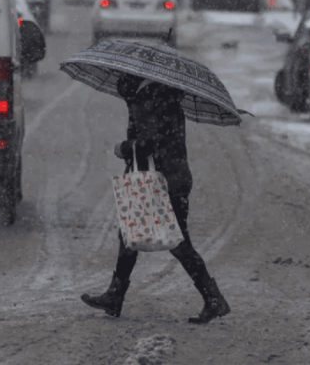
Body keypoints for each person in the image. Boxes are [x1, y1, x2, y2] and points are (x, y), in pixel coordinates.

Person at [80, 73, 231, 324]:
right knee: (130, 234)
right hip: (173, 176)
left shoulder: (150, 99)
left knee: (178, 242)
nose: (126, 100)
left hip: (161, 181)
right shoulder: (165, 95)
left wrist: (124, 148)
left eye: (126, 95)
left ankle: (213, 298)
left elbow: (149, 143)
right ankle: (115, 296)